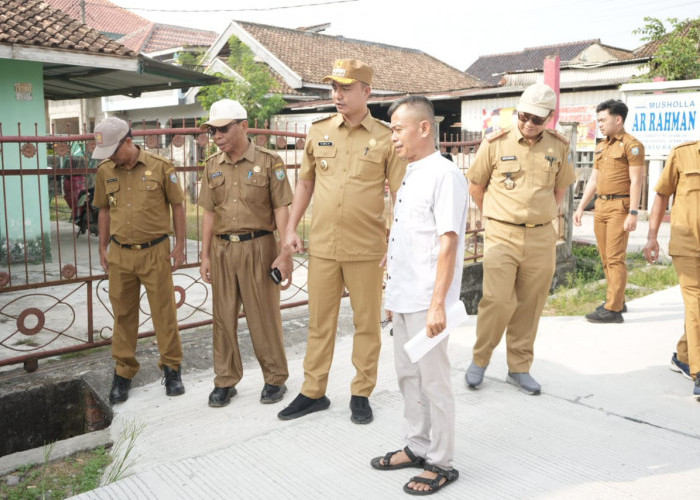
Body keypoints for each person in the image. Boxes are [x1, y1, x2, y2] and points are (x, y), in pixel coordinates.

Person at [278, 59, 406, 424]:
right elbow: (305, 183)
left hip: (366, 249)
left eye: (346, 87)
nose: (337, 94)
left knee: (366, 324)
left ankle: (361, 392)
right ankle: (313, 392)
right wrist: (290, 228)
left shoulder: (385, 138)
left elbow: (399, 195)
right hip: (323, 247)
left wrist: (397, 244)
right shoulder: (318, 132)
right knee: (319, 323)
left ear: (367, 91)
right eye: (334, 87)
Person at [370, 96, 466, 495]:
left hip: (429, 300)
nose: (393, 137)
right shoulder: (411, 172)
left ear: (424, 128)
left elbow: (447, 243)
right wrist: (392, 295)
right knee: (408, 378)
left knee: (434, 383)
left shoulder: (445, 174)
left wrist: (438, 304)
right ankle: (417, 445)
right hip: (405, 295)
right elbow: (406, 240)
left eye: (397, 129)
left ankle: (441, 461)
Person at [465, 83, 576, 395]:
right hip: (502, 233)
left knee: (531, 305)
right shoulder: (495, 143)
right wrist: (497, 216)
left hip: (541, 237)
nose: (529, 124)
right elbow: (476, 186)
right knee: (496, 301)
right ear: (518, 111)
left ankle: (519, 367)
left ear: (550, 118)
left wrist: (539, 215)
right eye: (524, 116)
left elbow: (560, 189)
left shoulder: (558, 146)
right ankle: (480, 360)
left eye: (537, 120)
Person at [198, 99, 293, 407]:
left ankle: (275, 378)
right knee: (222, 317)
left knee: (263, 315)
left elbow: (282, 208)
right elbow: (209, 214)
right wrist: (205, 255)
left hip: (260, 246)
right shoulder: (212, 165)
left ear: (243, 126)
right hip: (223, 248)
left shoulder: (269, 161)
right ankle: (225, 381)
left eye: (223, 129)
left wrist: (284, 253)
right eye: (212, 130)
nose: (216, 136)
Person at [93, 117, 186, 404]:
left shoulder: (161, 166)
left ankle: (171, 369)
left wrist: (181, 244)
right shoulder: (105, 170)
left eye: (113, 150)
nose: (110, 157)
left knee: (164, 312)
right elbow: (104, 210)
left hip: (155, 251)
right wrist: (102, 247)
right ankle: (123, 372)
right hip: (120, 253)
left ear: (128, 142)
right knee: (123, 315)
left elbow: (178, 205)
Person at [573, 99, 645, 323]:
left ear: (618, 119)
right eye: (598, 120)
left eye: (603, 120)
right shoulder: (602, 145)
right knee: (605, 257)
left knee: (615, 259)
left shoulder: (632, 145)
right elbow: (594, 179)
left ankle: (612, 309)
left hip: (619, 207)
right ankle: (618, 300)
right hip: (601, 206)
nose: (600, 124)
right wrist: (581, 206)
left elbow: (636, 180)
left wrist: (633, 213)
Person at [643, 140, 700, 400]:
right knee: (696, 304)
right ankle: (699, 372)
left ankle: (684, 356)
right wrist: (652, 237)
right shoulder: (682, 154)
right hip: (689, 247)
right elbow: (662, 195)